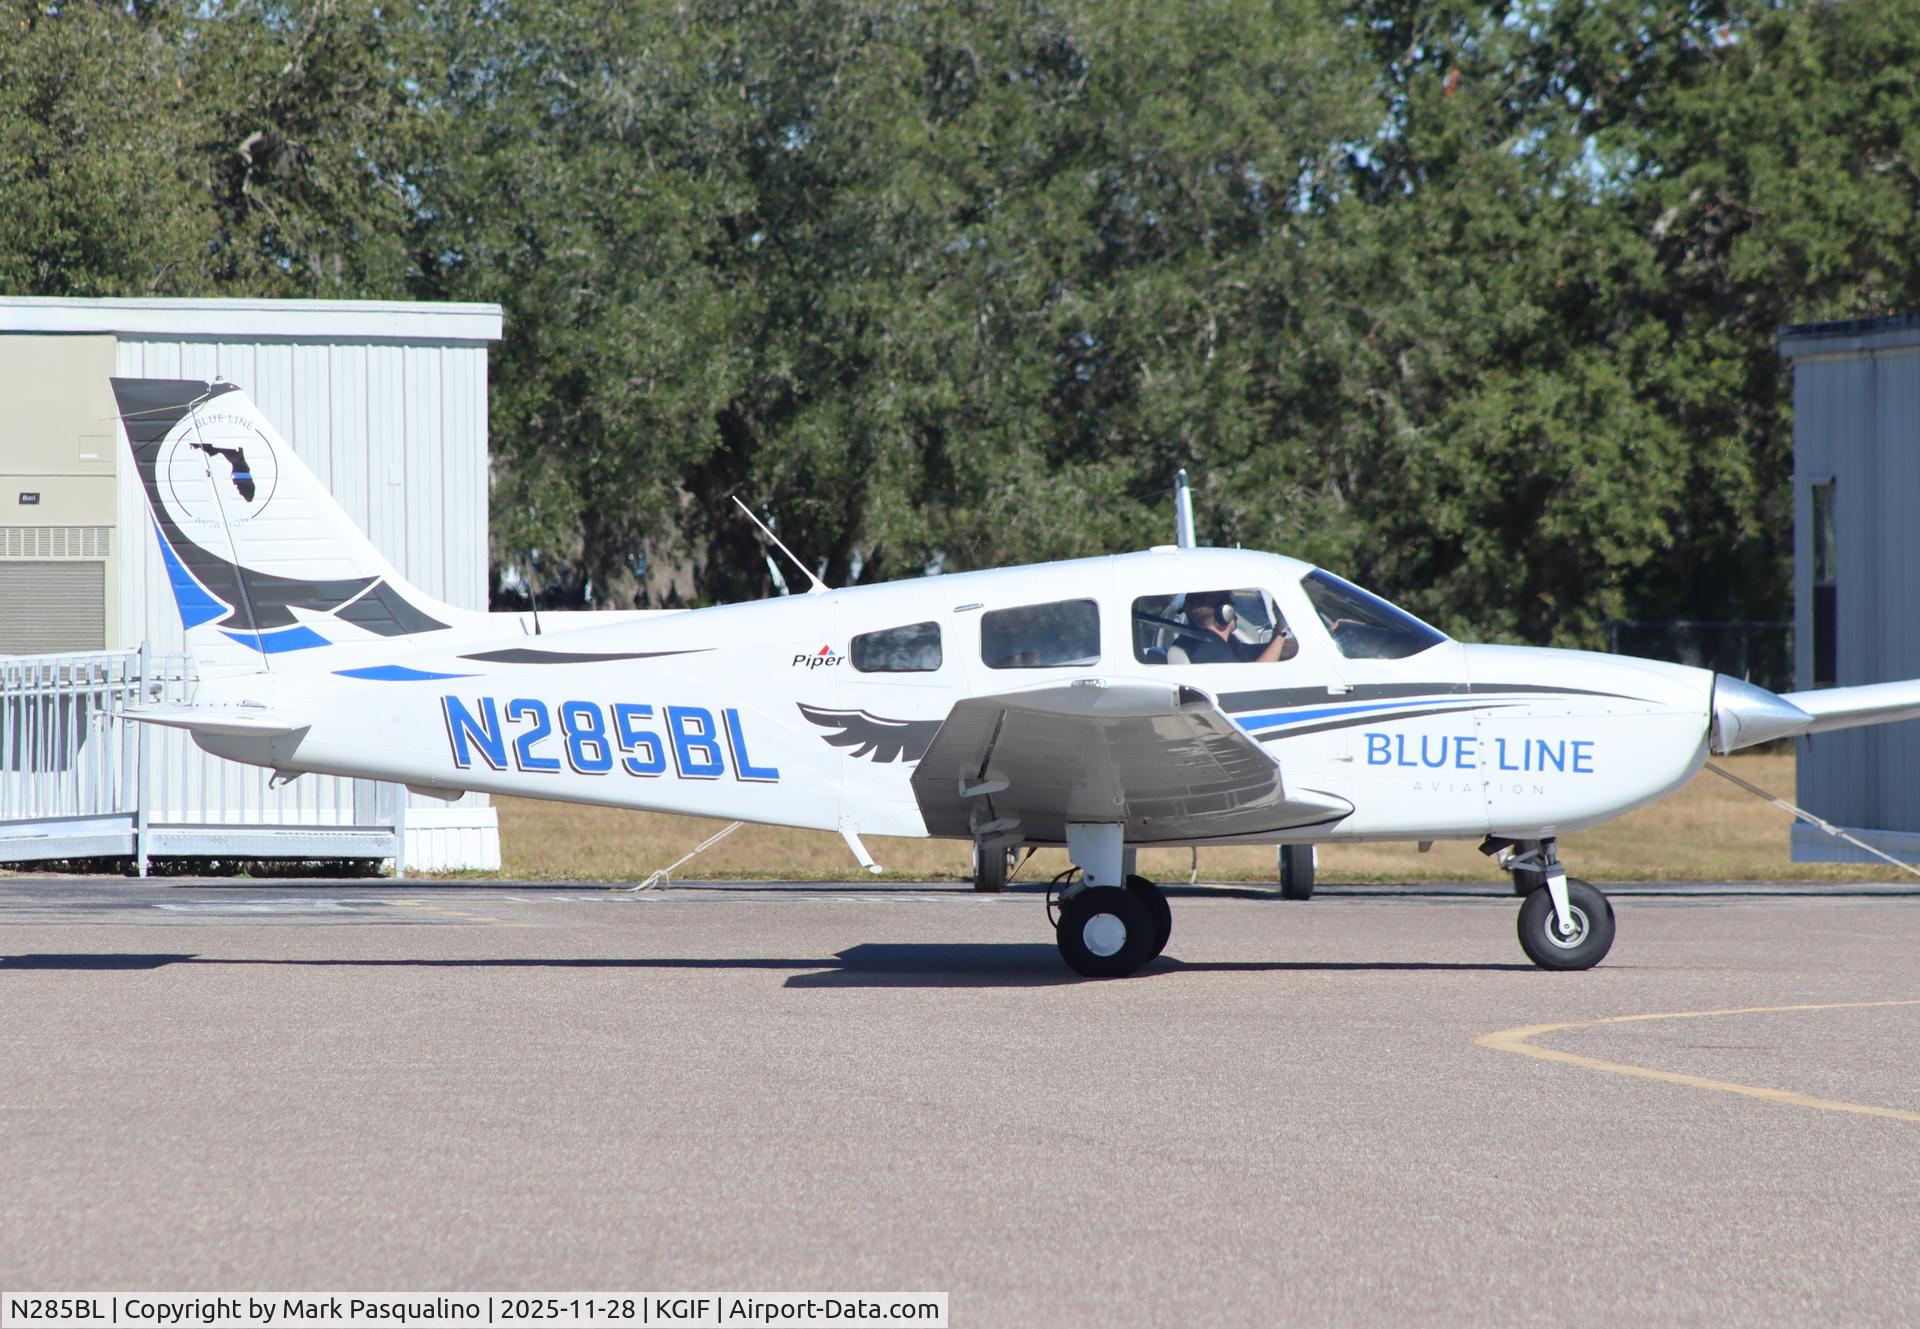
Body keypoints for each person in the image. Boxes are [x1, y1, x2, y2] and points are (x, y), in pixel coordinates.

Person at [1182, 592, 1290, 664]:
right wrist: (1282, 632)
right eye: (1232, 604)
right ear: (1225, 612)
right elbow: (1257, 676)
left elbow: (1254, 652)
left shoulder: (1212, 641)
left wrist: (1280, 634)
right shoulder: (1210, 650)